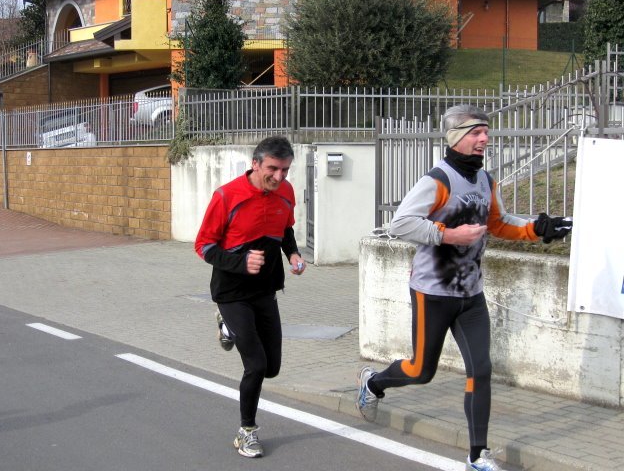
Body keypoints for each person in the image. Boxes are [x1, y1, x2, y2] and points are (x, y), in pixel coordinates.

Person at [356, 104, 572, 471]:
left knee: (481, 370)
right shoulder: (437, 181)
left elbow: (499, 224)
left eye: (486, 131)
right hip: (432, 293)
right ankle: (374, 383)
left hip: (471, 294)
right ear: (456, 137)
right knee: (421, 371)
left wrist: (538, 228)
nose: (485, 138)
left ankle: (477, 455)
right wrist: (450, 234)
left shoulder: (486, 180)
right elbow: (401, 223)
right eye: (476, 132)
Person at [195, 135, 306, 458]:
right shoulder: (227, 196)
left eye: (285, 170)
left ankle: (227, 328)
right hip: (231, 293)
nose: (279, 176)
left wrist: (293, 254)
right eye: (273, 169)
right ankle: (247, 432)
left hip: (265, 289)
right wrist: (241, 262)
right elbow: (203, 245)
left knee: (272, 368)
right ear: (255, 164)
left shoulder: (286, 192)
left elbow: (285, 230)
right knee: (255, 366)